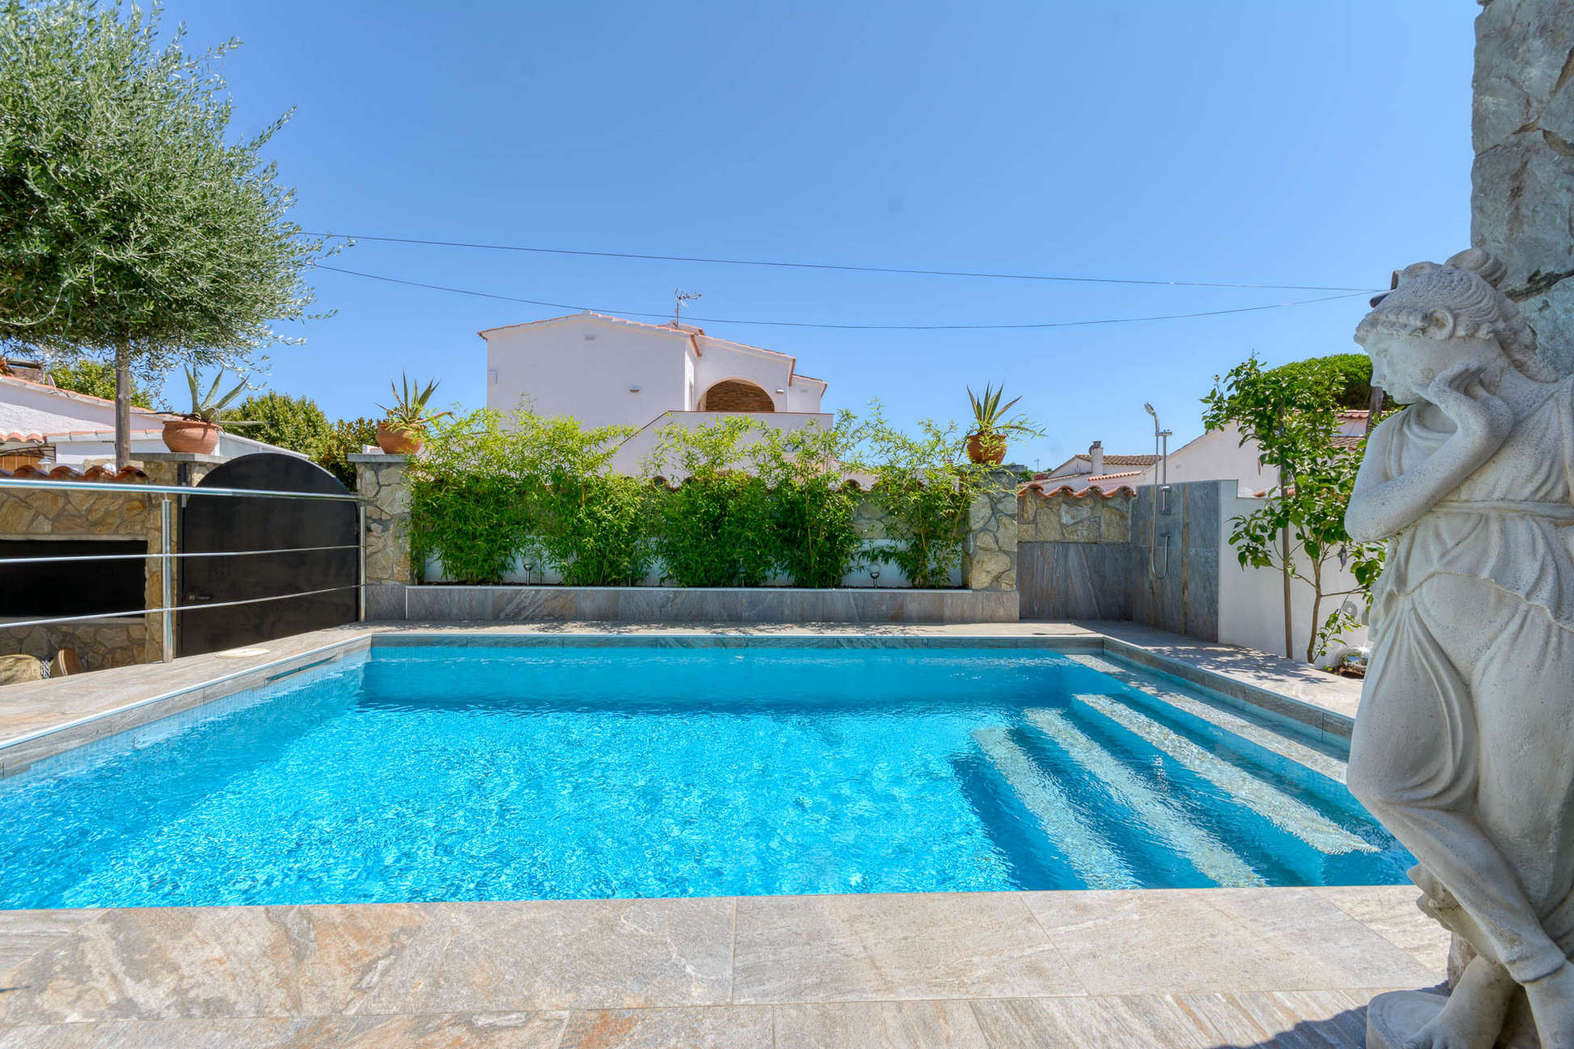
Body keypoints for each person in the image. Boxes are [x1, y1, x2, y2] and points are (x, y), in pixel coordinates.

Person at [1347, 247, 1574, 1049]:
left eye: (1384, 350)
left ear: (1442, 326)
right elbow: (1366, 522)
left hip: (1540, 612)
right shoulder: (1407, 432)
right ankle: (1548, 973)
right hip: (1422, 615)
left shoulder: (1561, 409)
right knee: (1383, 778)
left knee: (1528, 824)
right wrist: (1472, 437)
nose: (1378, 372)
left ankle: (1484, 991)